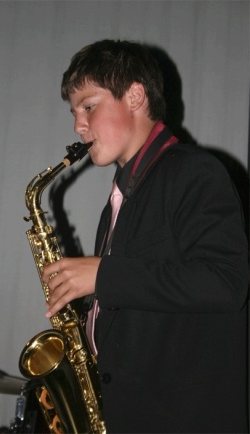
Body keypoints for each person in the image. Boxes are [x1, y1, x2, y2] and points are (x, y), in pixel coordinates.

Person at [42, 40, 249, 433]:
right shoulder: (120, 199)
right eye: (73, 112)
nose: (77, 125)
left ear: (135, 96)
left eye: (88, 106)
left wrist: (103, 276)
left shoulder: (194, 172)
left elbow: (227, 283)